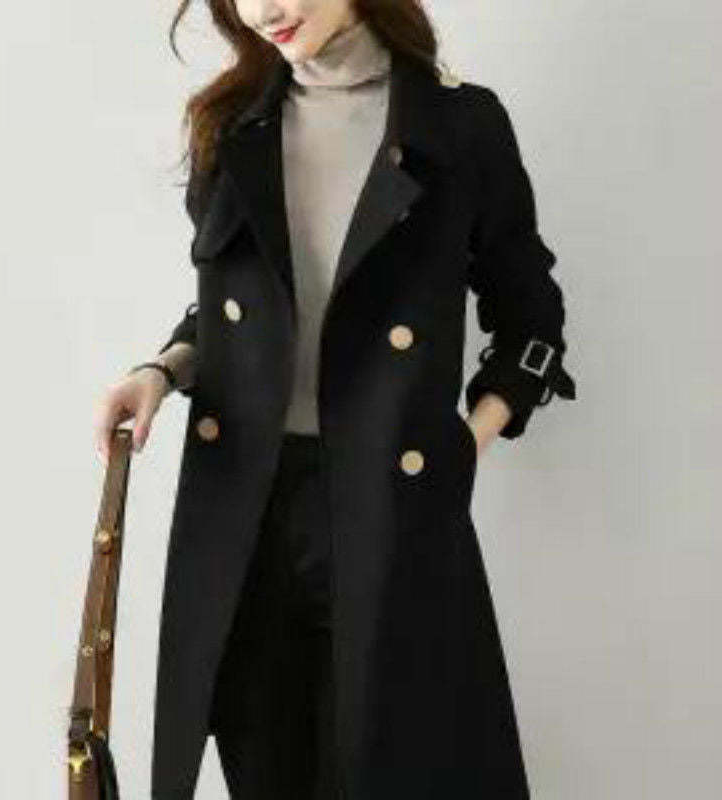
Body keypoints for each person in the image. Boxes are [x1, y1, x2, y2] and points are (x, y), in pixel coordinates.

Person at [94, 1, 576, 798]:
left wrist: (465, 443)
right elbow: (245, 309)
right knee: (265, 774)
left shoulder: (459, 126)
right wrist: (163, 370)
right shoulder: (233, 125)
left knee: (399, 771)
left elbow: (532, 319)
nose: (265, 10)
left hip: (391, 508)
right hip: (248, 513)